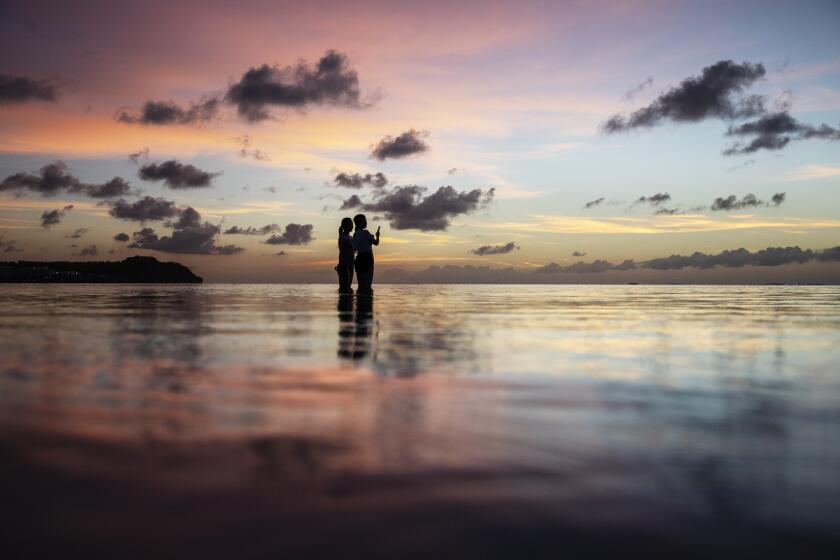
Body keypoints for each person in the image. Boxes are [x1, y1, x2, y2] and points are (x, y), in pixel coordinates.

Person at [352, 214, 379, 295]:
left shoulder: (355, 234)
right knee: (368, 285)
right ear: (361, 223)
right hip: (367, 258)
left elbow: (354, 249)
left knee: (361, 285)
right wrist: (377, 236)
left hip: (359, 258)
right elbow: (376, 243)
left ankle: (359, 305)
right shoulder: (366, 232)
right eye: (365, 220)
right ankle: (367, 304)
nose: (366, 222)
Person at [335, 217, 355, 293]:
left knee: (348, 288)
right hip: (344, 265)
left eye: (352, 224)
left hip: (351, 264)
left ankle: (347, 304)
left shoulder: (351, 237)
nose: (352, 226)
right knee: (344, 288)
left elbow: (354, 250)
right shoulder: (342, 237)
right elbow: (342, 251)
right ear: (345, 226)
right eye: (350, 224)